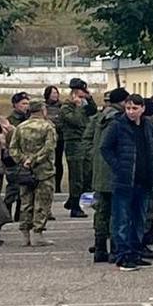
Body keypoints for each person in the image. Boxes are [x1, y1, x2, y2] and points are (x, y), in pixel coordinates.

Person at [99, 94, 153, 271]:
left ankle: (135, 251)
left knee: (139, 218)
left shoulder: (148, 125)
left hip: (144, 179)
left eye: (135, 108)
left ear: (142, 109)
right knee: (122, 218)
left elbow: (152, 149)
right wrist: (118, 167)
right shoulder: (117, 125)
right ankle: (122, 255)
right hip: (124, 181)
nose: (131, 112)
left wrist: (152, 172)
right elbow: (105, 148)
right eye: (128, 108)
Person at [85, 86, 128, 263]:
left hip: (100, 171)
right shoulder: (119, 120)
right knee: (116, 212)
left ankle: (100, 248)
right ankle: (115, 250)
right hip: (114, 172)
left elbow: (87, 140)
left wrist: (93, 159)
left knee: (101, 211)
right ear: (123, 102)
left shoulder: (99, 118)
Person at [9, 99, 57, 247]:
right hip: (44, 170)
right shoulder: (48, 127)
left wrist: (24, 160)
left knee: (25, 202)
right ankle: (38, 233)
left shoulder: (20, 127)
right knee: (42, 202)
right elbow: (49, 147)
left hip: (25, 171)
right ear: (42, 110)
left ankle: (25, 235)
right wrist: (35, 159)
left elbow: (13, 148)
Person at [57, 79, 95, 217]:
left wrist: (90, 99)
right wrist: (78, 106)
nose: (83, 95)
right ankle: (75, 206)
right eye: (81, 92)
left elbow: (93, 111)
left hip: (84, 143)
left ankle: (73, 200)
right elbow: (77, 121)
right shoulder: (66, 107)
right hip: (73, 143)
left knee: (87, 175)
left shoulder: (84, 104)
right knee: (76, 177)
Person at [3, 91, 32, 219]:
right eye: (23, 103)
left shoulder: (30, 119)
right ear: (15, 105)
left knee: (24, 189)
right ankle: (6, 213)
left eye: (27, 103)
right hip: (13, 158)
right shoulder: (9, 121)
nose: (26, 106)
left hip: (26, 157)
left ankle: (20, 215)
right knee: (12, 189)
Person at [43, 84, 65, 195]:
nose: (55, 95)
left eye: (56, 93)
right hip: (45, 139)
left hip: (59, 138)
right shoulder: (43, 106)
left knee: (58, 162)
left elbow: (62, 121)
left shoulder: (62, 106)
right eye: (53, 93)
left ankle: (57, 186)